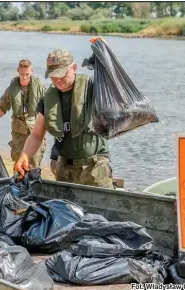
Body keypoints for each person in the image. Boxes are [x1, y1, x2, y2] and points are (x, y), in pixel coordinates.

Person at [14, 49, 114, 188]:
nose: (58, 80)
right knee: (65, 209)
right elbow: (37, 135)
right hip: (65, 169)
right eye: (53, 76)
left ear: (74, 68)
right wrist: (24, 156)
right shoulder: (49, 97)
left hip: (95, 168)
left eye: (62, 74)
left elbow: (113, 81)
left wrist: (104, 51)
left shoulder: (92, 87)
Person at [0, 59, 47, 168]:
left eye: (27, 74)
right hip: (18, 134)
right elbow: (2, 108)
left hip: (35, 131)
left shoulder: (40, 87)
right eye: (22, 74)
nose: (25, 77)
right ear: (18, 71)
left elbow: (49, 108)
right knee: (18, 166)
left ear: (32, 71)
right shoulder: (11, 89)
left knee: (34, 166)